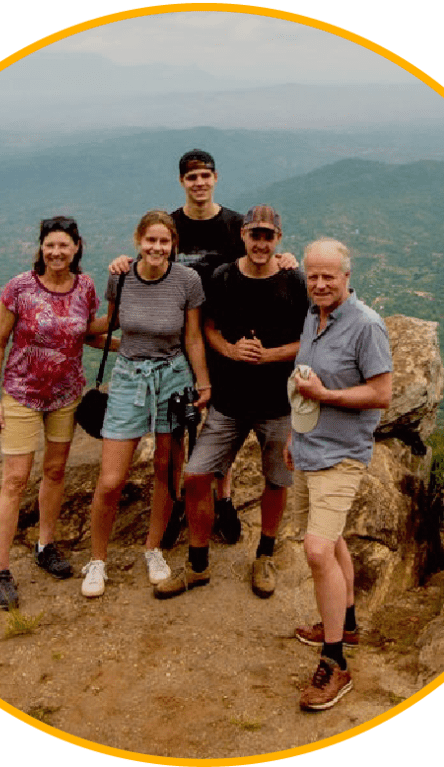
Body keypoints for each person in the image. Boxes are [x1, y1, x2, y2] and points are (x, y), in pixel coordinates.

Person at [109, 149, 298, 545]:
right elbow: (152, 253)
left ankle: (223, 498)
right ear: (182, 182)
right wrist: (124, 262)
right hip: (178, 336)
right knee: (177, 428)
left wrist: (284, 258)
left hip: (219, 333)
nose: (199, 183)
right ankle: (179, 499)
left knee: (216, 422)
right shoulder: (171, 225)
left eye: (205, 176)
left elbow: (257, 256)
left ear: (215, 179)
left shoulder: (233, 223)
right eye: (191, 177)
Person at [153, 205, 308, 600]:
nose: (261, 243)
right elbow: (208, 327)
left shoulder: (295, 283)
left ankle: (265, 554)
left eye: (268, 236)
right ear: (243, 235)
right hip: (229, 400)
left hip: (277, 403)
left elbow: (312, 339)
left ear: (279, 240)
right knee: (197, 475)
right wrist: (231, 350)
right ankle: (198, 564)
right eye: (255, 235)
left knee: (277, 479)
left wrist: (268, 355)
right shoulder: (223, 278)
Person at [284, 238, 392, 712]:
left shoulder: (367, 325)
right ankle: (344, 621)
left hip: (342, 454)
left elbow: (381, 393)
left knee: (317, 549)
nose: (321, 284)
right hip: (309, 446)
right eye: (314, 276)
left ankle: (336, 661)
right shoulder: (314, 316)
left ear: (347, 276)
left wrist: (327, 396)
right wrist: (294, 432)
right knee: (333, 537)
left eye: (330, 275)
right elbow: (304, 381)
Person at [81, 210, 211, 598]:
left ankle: (153, 548)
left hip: (173, 379)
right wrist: (67, 327)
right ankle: (97, 559)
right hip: (129, 378)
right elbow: (113, 323)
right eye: (150, 240)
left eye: (164, 242)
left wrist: (202, 383)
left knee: (165, 470)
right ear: (138, 240)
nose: (157, 248)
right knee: (110, 480)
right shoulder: (120, 277)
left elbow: (192, 337)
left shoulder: (187, 281)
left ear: (173, 245)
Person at [0, 215, 112, 610]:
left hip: (66, 394)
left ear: (77, 248)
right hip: (22, 394)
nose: (56, 252)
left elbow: (86, 334)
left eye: (64, 246)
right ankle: (0, 569)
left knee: (55, 471)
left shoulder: (86, 287)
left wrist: (130, 344)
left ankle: (45, 544)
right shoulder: (20, 288)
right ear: (41, 248)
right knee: (15, 480)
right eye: (50, 245)